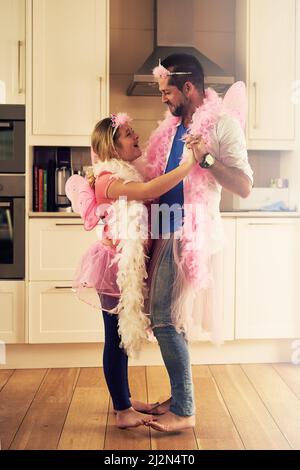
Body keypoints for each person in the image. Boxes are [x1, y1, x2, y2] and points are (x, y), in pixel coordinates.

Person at [141, 53, 254, 432]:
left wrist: (205, 160)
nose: (163, 99)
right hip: (162, 229)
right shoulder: (171, 128)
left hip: (190, 232)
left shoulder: (222, 125)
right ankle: (178, 397)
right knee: (172, 319)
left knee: (163, 320)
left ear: (188, 87)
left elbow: (244, 185)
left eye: (166, 91)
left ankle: (185, 410)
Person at [65, 112, 198, 429]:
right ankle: (123, 411)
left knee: (121, 338)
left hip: (122, 262)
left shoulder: (127, 175)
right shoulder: (109, 180)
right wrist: (189, 165)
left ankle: (122, 401)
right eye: (127, 133)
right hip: (112, 267)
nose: (135, 135)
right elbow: (150, 190)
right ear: (113, 147)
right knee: (115, 338)